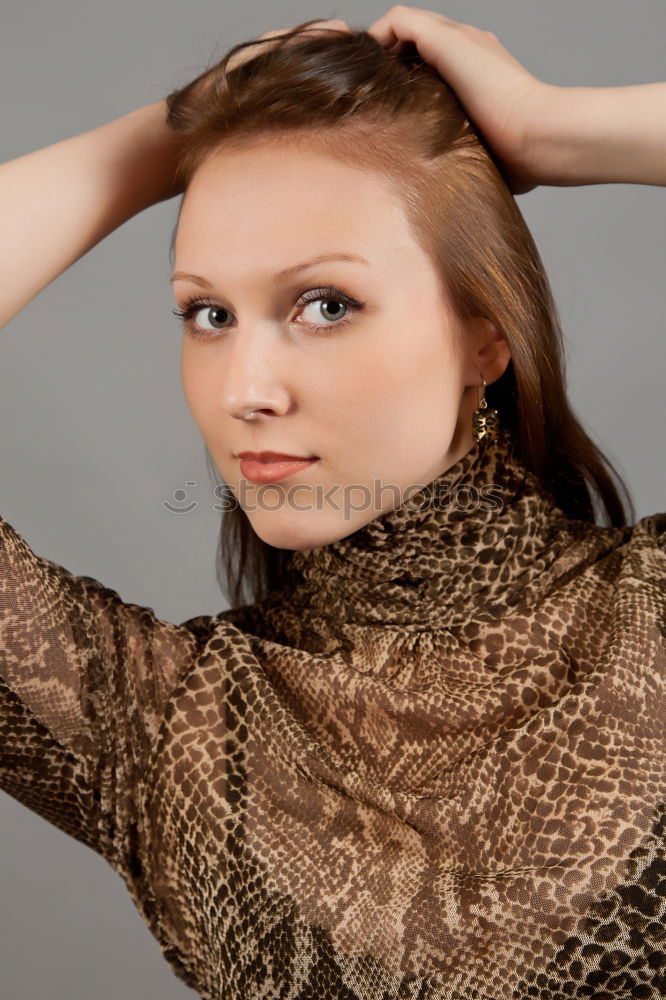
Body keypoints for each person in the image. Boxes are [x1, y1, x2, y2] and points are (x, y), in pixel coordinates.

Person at [1, 7, 665, 999]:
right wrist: (169, 136)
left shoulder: (648, 612)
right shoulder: (172, 727)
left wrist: (561, 129)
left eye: (325, 305)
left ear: (488, 335)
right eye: (208, 314)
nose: (243, 389)